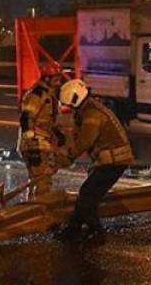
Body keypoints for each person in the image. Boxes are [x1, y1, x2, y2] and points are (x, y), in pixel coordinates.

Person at [56, 79, 133, 242]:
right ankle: (74, 229)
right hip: (110, 161)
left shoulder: (92, 114)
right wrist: (64, 154)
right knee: (88, 195)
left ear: (76, 99)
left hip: (113, 162)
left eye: (70, 105)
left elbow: (85, 141)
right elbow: (77, 138)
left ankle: (95, 232)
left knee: (87, 195)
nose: (70, 109)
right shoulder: (87, 110)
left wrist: (68, 157)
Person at [19, 69, 69, 200]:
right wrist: (31, 144)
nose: (58, 83)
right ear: (47, 79)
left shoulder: (48, 94)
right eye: (56, 80)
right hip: (36, 143)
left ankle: (31, 205)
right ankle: (37, 207)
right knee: (42, 182)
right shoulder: (38, 94)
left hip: (41, 142)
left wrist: (57, 133)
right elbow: (26, 117)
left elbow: (46, 120)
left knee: (38, 180)